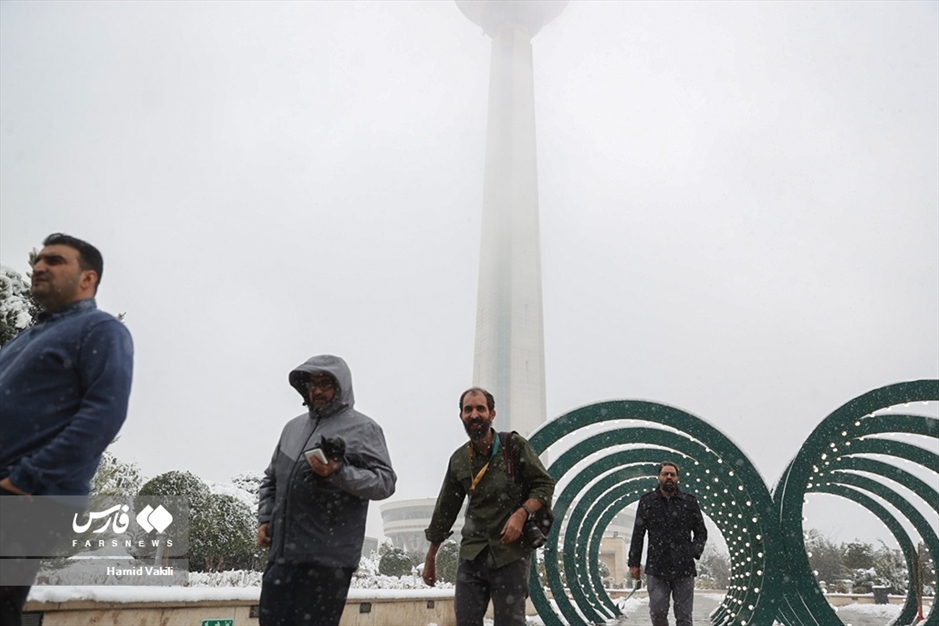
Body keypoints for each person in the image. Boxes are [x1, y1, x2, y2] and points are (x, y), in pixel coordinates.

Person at [0, 233, 134, 625]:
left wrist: (25, 480)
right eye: (38, 260)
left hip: (26, 498)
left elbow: (103, 416)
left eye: (55, 260)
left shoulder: (100, 330)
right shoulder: (24, 339)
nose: (39, 267)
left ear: (87, 279)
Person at [257, 354, 396, 626]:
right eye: (312, 383)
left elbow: (385, 482)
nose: (318, 390)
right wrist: (265, 519)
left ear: (341, 387)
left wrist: (338, 472)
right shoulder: (292, 428)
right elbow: (272, 480)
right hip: (282, 560)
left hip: (327, 563)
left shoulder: (364, 428)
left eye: (326, 383)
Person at [423, 387, 555, 626]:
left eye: (480, 409)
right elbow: (445, 510)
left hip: (510, 554)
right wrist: (431, 558)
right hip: (472, 555)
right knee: (466, 621)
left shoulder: (513, 446)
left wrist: (521, 514)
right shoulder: (459, 459)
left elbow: (544, 485)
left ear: (492, 414)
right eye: (468, 409)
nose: (474, 415)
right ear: (461, 416)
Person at [628, 462, 707, 626]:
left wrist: (693, 550)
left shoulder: (689, 502)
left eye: (672, 474)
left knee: (684, 618)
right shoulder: (647, 502)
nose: (669, 477)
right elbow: (638, 535)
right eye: (665, 474)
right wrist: (634, 563)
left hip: (683, 569)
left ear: (678, 478)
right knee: (657, 614)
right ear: (659, 477)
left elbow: (701, 532)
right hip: (657, 568)